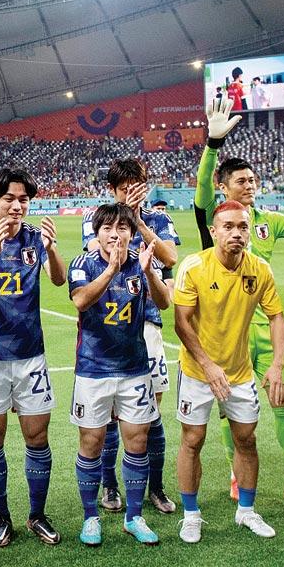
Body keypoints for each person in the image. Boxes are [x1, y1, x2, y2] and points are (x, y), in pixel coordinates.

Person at [194, 96, 284, 516]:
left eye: (253, 179)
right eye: (241, 180)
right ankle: (235, 474)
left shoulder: (268, 220)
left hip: (264, 328)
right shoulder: (213, 216)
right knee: (229, 412)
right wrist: (212, 144)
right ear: (224, 187)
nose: (250, 184)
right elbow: (203, 186)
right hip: (224, 333)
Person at [0, 168, 67, 547]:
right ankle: (1, 517)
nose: (17, 206)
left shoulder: (37, 238)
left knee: (37, 436)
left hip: (29, 354)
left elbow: (58, 280)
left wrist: (52, 249)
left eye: (23, 200)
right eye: (9, 199)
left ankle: (37, 514)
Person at [173, 200, 284, 544]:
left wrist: (278, 363)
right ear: (213, 231)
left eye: (242, 226)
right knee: (192, 440)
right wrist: (208, 366)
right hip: (196, 372)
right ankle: (191, 515)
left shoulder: (260, 269)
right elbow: (181, 322)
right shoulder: (193, 267)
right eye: (228, 227)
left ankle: (247, 511)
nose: (236, 233)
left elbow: (277, 317)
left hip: (239, 373)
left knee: (246, 439)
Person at [69, 203, 170, 546]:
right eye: (108, 228)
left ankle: (134, 516)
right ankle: (90, 517)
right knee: (91, 443)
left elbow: (165, 302)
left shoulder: (141, 263)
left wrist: (150, 273)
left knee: (137, 442)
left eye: (122, 228)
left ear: (131, 232)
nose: (116, 234)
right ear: (97, 234)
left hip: (134, 371)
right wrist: (111, 270)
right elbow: (81, 300)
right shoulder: (83, 263)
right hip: (93, 370)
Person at [83, 160, 178, 515]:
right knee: (108, 416)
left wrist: (137, 220)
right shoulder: (98, 219)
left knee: (151, 413)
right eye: (122, 188)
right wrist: (120, 226)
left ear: (144, 185)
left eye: (135, 185)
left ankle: (156, 487)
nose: (129, 193)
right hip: (109, 331)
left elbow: (170, 258)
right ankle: (109, 486)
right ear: (113, 190)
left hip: (148, 326)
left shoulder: (158, 219)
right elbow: (95, 252)